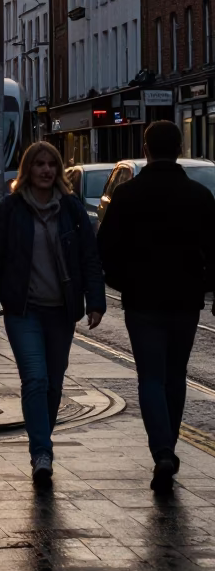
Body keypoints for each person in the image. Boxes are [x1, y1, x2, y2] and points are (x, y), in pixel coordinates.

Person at [0, 142, 105, 487]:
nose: (46, 170)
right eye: (39, 165)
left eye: (52, 164)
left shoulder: (72, 210)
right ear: (28, 170)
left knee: (53, 384)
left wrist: (95, 300)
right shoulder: (10, 209)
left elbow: (89, 258)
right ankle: (42, 452)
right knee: (34, 379)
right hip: (24, 311)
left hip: (61, 312)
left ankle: (41, 444)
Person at [98, 120, 215, 493]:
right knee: (176, 374)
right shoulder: (199, 196)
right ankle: (169, 446)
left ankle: (162, 450)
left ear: (146, 150)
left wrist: (122, 282)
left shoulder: (128, 195)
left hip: (142, 300)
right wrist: (206, 285)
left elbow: (105, 250)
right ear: (179, 148)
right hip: (185, 299)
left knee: (149, 376)